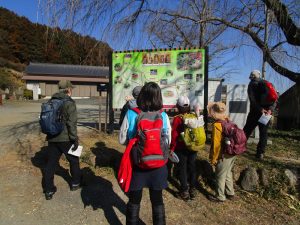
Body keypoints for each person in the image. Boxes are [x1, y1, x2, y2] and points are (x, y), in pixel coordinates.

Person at [119, 82, 171, 225]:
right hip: (159, 165)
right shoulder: (164, 116)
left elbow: (122, 140)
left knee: (134, 200)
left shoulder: (131, 113)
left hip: (137, 164)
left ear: (141, 96)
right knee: (157, 201)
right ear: (158, 97)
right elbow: (168, 141)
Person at [43, 80, 81, 200]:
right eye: (71, 89)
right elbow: (71, 123)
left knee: (51, 164)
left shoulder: (51, 101)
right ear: (68, 90)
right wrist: (74, 139)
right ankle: (75, 183)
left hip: (52, 137)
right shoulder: (69, 103)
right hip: (66, 138)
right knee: (74, 160)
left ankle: (49, 190)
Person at [243, 70, 276, 160]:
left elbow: (252, 100)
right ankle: (260, 153)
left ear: (252, 76)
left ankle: (240, 147)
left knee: (247, 130)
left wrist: (260, 109)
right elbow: (275, 99)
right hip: (266, 113)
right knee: (263, 133)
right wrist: (270, 110)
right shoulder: (269, 83)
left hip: (255, 112)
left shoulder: (252, 84)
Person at [207, 102, 236, 203]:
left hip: (224, 154)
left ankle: (220, 196)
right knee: (227, 172)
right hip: (233, 152)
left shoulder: (217, 125)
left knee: (220, 175)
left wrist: (214, 158)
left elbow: (216, 145)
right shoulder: (228, 120)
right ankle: (230, 192)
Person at [170, 96, 197, 201]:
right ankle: (193, 189)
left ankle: (184, 191)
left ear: (178, 106)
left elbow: (175, 135)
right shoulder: (194, 116)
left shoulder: (177, 118)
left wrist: (172, 147)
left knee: (183, 168)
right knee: (192, 167)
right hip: (193, 147)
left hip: (181, 147)